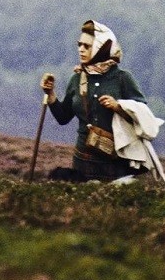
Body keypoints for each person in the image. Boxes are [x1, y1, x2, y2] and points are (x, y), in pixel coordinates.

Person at [40, 19, 150, 182]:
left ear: (101, 47)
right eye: (79, 45)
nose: (81, 50)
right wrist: (50, 94)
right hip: (83, 163)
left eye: (87, 46)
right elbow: (63, 117)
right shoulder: (76, 79)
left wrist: (119, 106)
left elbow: (143, 115)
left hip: (116, 163)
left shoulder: (122, 79)